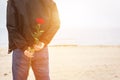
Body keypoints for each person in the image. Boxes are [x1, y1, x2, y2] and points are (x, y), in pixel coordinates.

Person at [6, 0, 60, 80]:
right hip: (39, 48)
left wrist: (24, 47)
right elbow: (55, 23)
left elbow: (11, 26)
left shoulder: (13, 1)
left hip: (21, 50)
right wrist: (43, 41)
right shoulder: (49, 1)